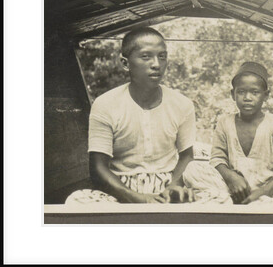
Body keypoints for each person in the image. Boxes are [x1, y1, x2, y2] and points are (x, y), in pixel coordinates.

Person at [65, 27, 196, 205]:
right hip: (120, 188)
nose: (156, 64)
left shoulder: (182, 104)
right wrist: (139, 199)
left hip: (169, 185)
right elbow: (98, 168)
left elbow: (187, 156)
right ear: (125, 63)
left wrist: (173, 187)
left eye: (162, 56)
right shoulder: (106, 104)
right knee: (77, 201)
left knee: (217, 198)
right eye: (146, 56)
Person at [183, 62, 273, 205]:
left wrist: (265, 191)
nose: (247, 97)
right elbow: (217, 160)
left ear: (266, 95)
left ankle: (231, 202)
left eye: (255, 92)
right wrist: (232, 178)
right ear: (233, 94)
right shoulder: (224, 122)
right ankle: (234, 200)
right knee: (192, 169)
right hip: (233, 188)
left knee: (272, 204)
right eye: (241, 92)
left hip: (268, 193)